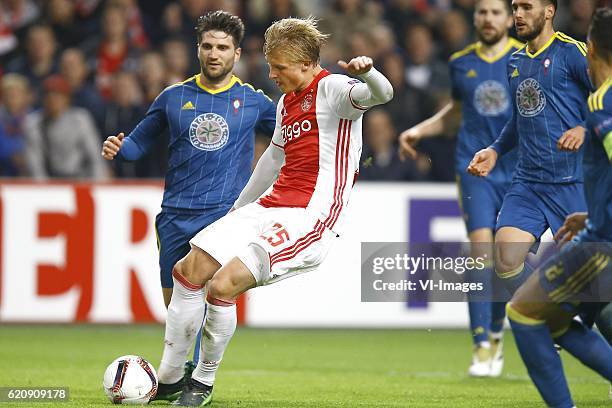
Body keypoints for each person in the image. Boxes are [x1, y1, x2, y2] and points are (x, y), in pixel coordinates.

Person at [156, 17, 393, 407]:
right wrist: (236, 212)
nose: (272, 74)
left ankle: (202, 382)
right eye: (270, 65)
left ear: (304, 64)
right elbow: (272, 160)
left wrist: (370, 73)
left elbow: (381, 95)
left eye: (279, 66)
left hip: (309, 217)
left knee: (222, 286)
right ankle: (167, 379)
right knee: (187, 270)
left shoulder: (334, 90)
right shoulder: (286, 104)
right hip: (268, 206)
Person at [100, 10, 276, 401]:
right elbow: (138, 143)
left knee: (208, 293)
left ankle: (198, 381)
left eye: (223, 47)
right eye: (208, 46)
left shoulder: (252, 102)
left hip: (223, 217)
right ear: (198, 49)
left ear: (236, 53)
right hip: (175, 217)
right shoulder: (172, 97)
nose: (214, 54)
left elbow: (292, 133)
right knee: (178, 309)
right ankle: (178, 376)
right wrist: (119, 146)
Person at [399, 0, 521, 377]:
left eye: (495, 12)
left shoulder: (525, 59)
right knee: (481, 249)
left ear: (509, 18)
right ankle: (481, 343)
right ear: (475, 18)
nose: (488, 19)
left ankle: (496, 330)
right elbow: (455, 114)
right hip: (473, 168)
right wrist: (420, 129)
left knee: (507, 262)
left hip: (517, 169)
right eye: (482, 12)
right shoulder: (461, 62)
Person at [505, 8, 612, 407]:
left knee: (526, 314)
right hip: (589, 220)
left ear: (594, 47)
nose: (518, 13)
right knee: (551, 315)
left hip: (602, 240)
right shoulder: (516, 63)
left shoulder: (601, 103)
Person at [467, 0, 591, 294]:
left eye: (527, 7)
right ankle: (553, 321)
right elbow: (521, 117)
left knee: (592, 284)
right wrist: (495, 149)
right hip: (529, 183)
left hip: (574, 181)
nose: (518, 14)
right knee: (506, 260)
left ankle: (585, 332)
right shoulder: (515, 61)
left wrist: (584, 128)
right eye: (515, 7)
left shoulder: (572, 52)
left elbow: (608, 96)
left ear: (549, 11)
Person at [24, 75, 106, 179]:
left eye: (58, 95)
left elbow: (95, 157)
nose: (53, 100)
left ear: (67, 99)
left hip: (80, 179)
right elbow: (35, 163)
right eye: (49, 95)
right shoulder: (33, 123)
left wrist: (98, 184)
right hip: (50, 181)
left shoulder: (80, 119)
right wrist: (43, 190)